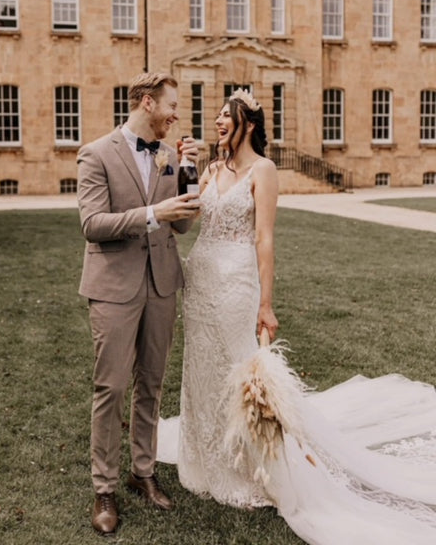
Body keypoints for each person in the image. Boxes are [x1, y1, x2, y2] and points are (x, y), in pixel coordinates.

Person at [157, 88, 436, 544]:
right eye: (217, 116)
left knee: (238, 371)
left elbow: (264, 240)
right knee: (202, 370)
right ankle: (205, 461)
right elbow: (186, 219)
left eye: (227, 116)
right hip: (201, 281)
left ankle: (252, 465)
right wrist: (184, 169)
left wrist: (265, 304)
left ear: (247, 124)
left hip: (236, 284)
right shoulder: (209, 169)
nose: (218, 122)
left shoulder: (263, 170)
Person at [77, 71, 200, 535]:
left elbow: (184, 224)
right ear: (147, 102)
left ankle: (142, 472)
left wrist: (189, 171)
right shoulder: (95, 153)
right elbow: (92, 223)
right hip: (113, 286)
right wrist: (153, 214)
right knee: (110, 389)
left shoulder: (171, 156)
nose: (175, 115)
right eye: (171, 106)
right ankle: (104, 488)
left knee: (151, 383)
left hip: (162, 284)